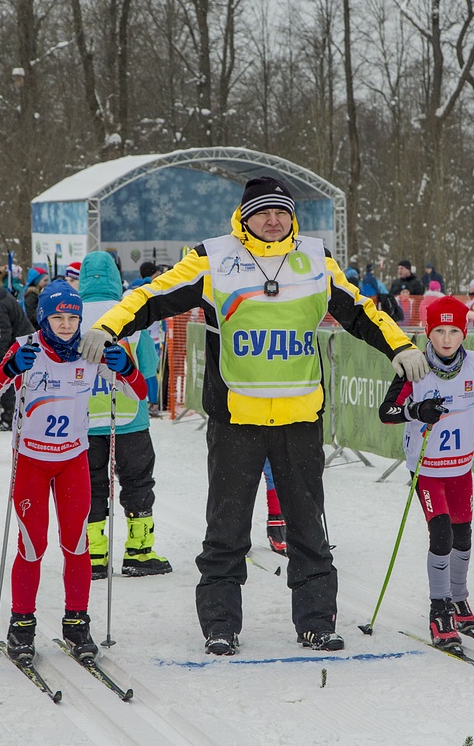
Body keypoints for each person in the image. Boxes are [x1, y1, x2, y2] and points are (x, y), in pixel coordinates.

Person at [80, 175, 427, 655]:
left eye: (281, 212)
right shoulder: (213, 258)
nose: (273, 219)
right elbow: (151, 296)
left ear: (292, 217)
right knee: (226, 530)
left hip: (299, 417)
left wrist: (401, 347)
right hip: (236, 419)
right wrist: (107, 326)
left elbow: (362, 310)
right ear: (244, 217)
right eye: (263, 212)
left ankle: (316, 622)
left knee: (308, 528)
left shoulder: (315, 258)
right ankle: (220, 625)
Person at [0, 280, 148, 662]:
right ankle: (21, 625)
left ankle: (77, 622)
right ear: (43, 318)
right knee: (32, 546)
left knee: (77, 544)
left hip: (73, 461)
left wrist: (128, 367)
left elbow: (139, 393)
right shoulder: (25, 349)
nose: (67, 324)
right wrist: (8, 371)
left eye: (73, 317)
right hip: (32, 463)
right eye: (58, 317)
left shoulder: (92, 350)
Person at [378, 295, 474, 647]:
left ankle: (459, 597)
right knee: (440, 535)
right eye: (439, 330)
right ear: (428, 332)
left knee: (463, 537)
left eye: (454, 331)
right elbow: (387, 412)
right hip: (426, 468)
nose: (446, 339)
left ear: (464, 332)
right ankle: (439, 608)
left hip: (460, 468)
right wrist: (417, 410)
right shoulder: (414, 366)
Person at [78, 251, 172, 580]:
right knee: (137, 482)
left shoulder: (71, 314)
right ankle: (139, 551)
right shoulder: (127, 312)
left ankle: (93, 555)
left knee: (90, 485)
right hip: (128, 415)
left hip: (84, 420)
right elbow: (147, 367)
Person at [0, 259, 35, 429]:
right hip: (17, 339)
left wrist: (0, 355)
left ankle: (10, 415)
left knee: (8, 376)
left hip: (22, 341)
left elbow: (2, 330)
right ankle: (2, 413)